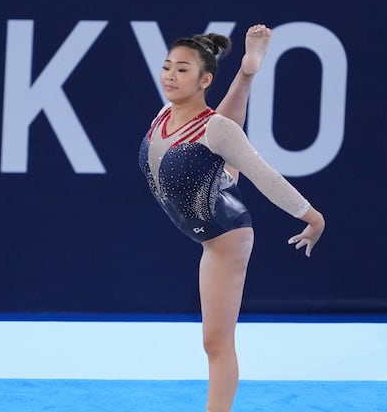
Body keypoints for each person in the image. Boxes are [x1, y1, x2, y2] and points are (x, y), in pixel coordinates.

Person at [138, 25, 325, 411]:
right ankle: (247, 71)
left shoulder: (218, 129)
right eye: (167, 66)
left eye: (182, 70)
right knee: (218, 149)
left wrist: (313, 217)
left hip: (224, 236)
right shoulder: (164, 115)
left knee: (216, 342)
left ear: (205, 80)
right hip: (210, 186)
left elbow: (265, 176)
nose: (170, 76)